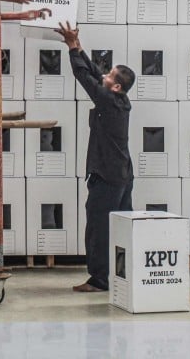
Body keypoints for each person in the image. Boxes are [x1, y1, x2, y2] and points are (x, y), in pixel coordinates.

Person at [54, 21, 136, 293]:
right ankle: (123, 274)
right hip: (123, 174)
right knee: (122, 225)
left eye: (110, 76)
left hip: (109, 176)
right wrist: (77, 45)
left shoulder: (109, 101)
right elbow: (94, 73)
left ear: (116, 87)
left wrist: (70, 48)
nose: (105, 76)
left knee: (99, 227)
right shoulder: (118, 99)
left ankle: (100, 280)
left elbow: (84, 76)